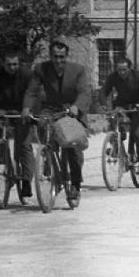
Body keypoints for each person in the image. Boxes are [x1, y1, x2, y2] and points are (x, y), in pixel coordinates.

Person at [21, 40, 91, 200]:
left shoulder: (78, 70)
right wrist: (26, 108)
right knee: (42, 125)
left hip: (71, 110)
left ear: (66, 56)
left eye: (61, 57)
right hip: (51, 108)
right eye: (55, 56)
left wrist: (76, 107)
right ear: (50, 56)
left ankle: (75, 184)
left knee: (72, 146)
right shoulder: (41, 69)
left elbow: (84, 92)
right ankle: (49, 157)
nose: (58, 60)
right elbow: (32, 91)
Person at [0, 50, 34, 198]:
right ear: (3, 64)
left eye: (15, 64)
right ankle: (3, 153)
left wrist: (27, 109)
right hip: (4, 108)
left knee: (24, 145)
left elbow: (33, 93)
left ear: (19, 63)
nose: (12, 67)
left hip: (23, 109)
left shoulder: (27, 75)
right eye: (9, 64)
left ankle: (27, 181)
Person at [98, 56, 139, 174]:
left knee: (137, 133)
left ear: (129, 68)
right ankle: (116, 148)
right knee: (113, 122)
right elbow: (104, 91)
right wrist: (104, 105)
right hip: (122, 105)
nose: (121, 73)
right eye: (119, 70)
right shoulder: (113, 77)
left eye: (124, 70)